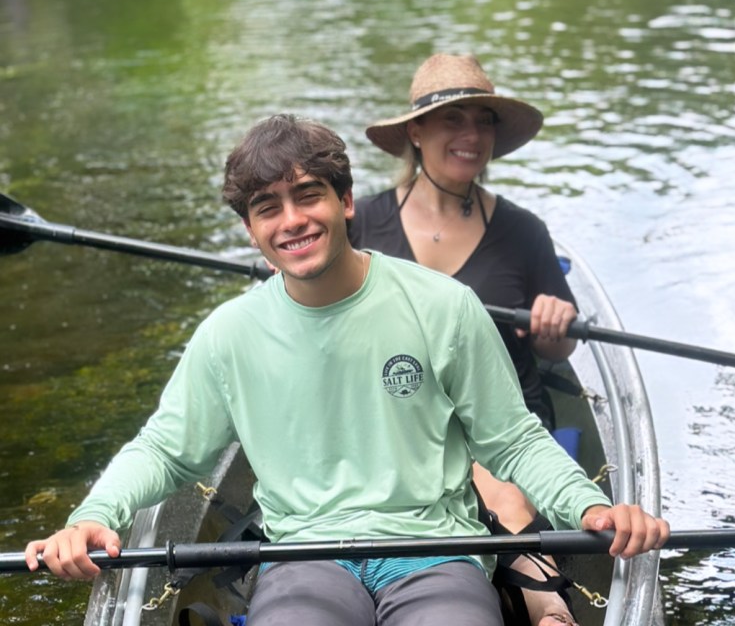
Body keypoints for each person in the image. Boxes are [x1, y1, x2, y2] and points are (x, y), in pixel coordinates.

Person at [25, 114, 669, 626]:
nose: (292, 221)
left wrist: (589, 506)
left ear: (347, 201)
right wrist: (94, 514)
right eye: (268, 207)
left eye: (309, 196)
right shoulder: (228, 335)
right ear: (251, 230)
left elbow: (514, 441)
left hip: (434, 552)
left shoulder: (444, 306)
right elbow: (165, 452)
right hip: (304, 559)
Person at [349, 53, 586, 624]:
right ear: (416, 132)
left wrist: (555, 325)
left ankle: (546, 603)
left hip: (499, 413)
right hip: (393, 410)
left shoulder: (523, 231)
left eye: (484, 121)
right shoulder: (361, 225)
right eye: (453, 119)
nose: (472, 135)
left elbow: (559, 352)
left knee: (498, 485)